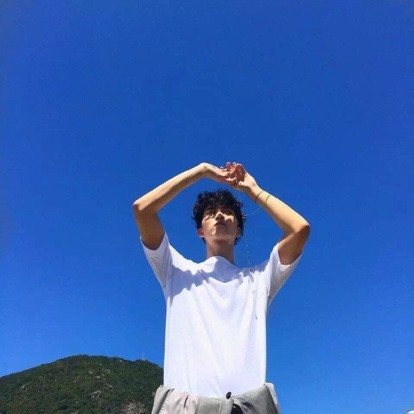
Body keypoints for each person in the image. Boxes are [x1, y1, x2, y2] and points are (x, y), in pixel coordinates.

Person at [132, 162, 310, 414]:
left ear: (238, 230)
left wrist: (252, 190)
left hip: (247, 407)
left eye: (227, 212)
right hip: (185, 407)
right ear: (200, 232)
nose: (219, 216)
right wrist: (202, 171)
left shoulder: (258, 280)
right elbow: (142, 210)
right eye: (210, 213)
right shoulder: (177, 271)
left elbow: (299, 229)